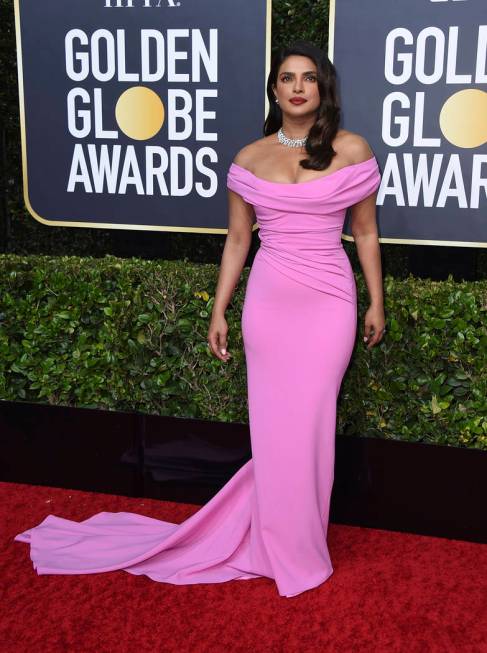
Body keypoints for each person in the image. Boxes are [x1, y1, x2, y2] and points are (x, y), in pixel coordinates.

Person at [14, 41, 385, 598]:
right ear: (275, 90)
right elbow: (238, 241)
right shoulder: (248, 158)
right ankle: (279, 543)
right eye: (287, 78)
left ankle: (296, 543)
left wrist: (377, 301)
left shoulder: (352, 149)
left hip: (329, 300)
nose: (298, 87)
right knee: (274, 431)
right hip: (269, 303)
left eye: (309, 77)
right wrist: (219, 308)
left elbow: (365, 232)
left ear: (323, 87)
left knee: (309, 426)